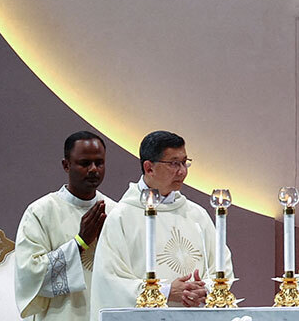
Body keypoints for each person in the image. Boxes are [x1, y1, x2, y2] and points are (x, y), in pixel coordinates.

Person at [89, 131, 231, 316]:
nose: (182, 171)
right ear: (149, 168)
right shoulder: (122, 216)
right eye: (174, 163)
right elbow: (110, 281)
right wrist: (165, 292)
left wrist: (205, 289)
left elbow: (222, 266)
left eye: (185, 162)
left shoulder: (197, 215)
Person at [14, 131, 110, 321]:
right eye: (85, 163)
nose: (93, 169)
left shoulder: (114, 211)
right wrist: (80, 243)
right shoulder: (41, 212)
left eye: (99, 163)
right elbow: (29, 273)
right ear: (66, 165)